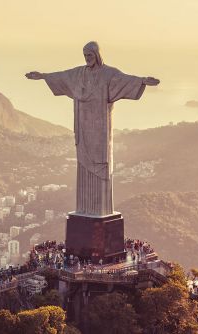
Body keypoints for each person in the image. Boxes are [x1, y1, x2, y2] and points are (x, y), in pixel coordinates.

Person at [26, 41, 159, 216]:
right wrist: (43, 76)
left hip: (101, 132)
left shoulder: (109, 74)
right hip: (83, 129)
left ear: (97, 54)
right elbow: (62, 76)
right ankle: (85, 209)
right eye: (85, 55)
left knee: (101, 165)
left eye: (89, 55)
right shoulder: (79, 74)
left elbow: (125, 80)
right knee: (83, 165)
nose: (87, 58)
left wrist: (142, 81)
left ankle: (100, 210)